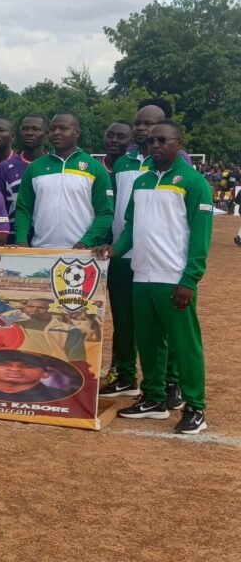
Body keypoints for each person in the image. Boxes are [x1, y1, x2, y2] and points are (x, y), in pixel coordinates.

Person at [93, 121, 213, 434]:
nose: (156, 145)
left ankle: (195, 406)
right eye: (152, 141)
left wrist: (190, 279)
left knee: (184, 345)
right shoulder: (143, 182)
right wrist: (116, 249)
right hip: (141, 274)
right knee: (148, 342)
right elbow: (132, 226)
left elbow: (201, 237)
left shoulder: (193, 182)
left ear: (179, 142)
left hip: (173, 278)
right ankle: (154, 398)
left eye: (163, 140)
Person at [101, 109, 179, 403]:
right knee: (124, 321)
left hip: (157, 257)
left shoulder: (175, 164)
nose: (143, 128)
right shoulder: (123, 163)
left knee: (161, 323)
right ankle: (125, 376)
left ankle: (171, 381)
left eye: (150, 123)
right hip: (122, 254)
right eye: (139, 123)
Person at [14, 112, 113, 249]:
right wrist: (21, 240)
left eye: (63, 128)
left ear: (77, 132)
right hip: (40, 251)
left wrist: (86, 242)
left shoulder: (95, 168)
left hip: (82, 253)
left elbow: (105, 212)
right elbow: (23, 208)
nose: (56, 132)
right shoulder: (35, 167)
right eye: (53, 129)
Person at [0, 114, 48, 239]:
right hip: (14, 238)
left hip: (46, 239)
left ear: (46, 133)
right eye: (25, 129)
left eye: (35, 129)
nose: (29, 133)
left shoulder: (55, 166)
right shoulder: (6, 167)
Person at [0, 351, 68, 402]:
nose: (14, 369)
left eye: (28, 366)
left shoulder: (62, 398)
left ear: (45, 374)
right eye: (4, 364)